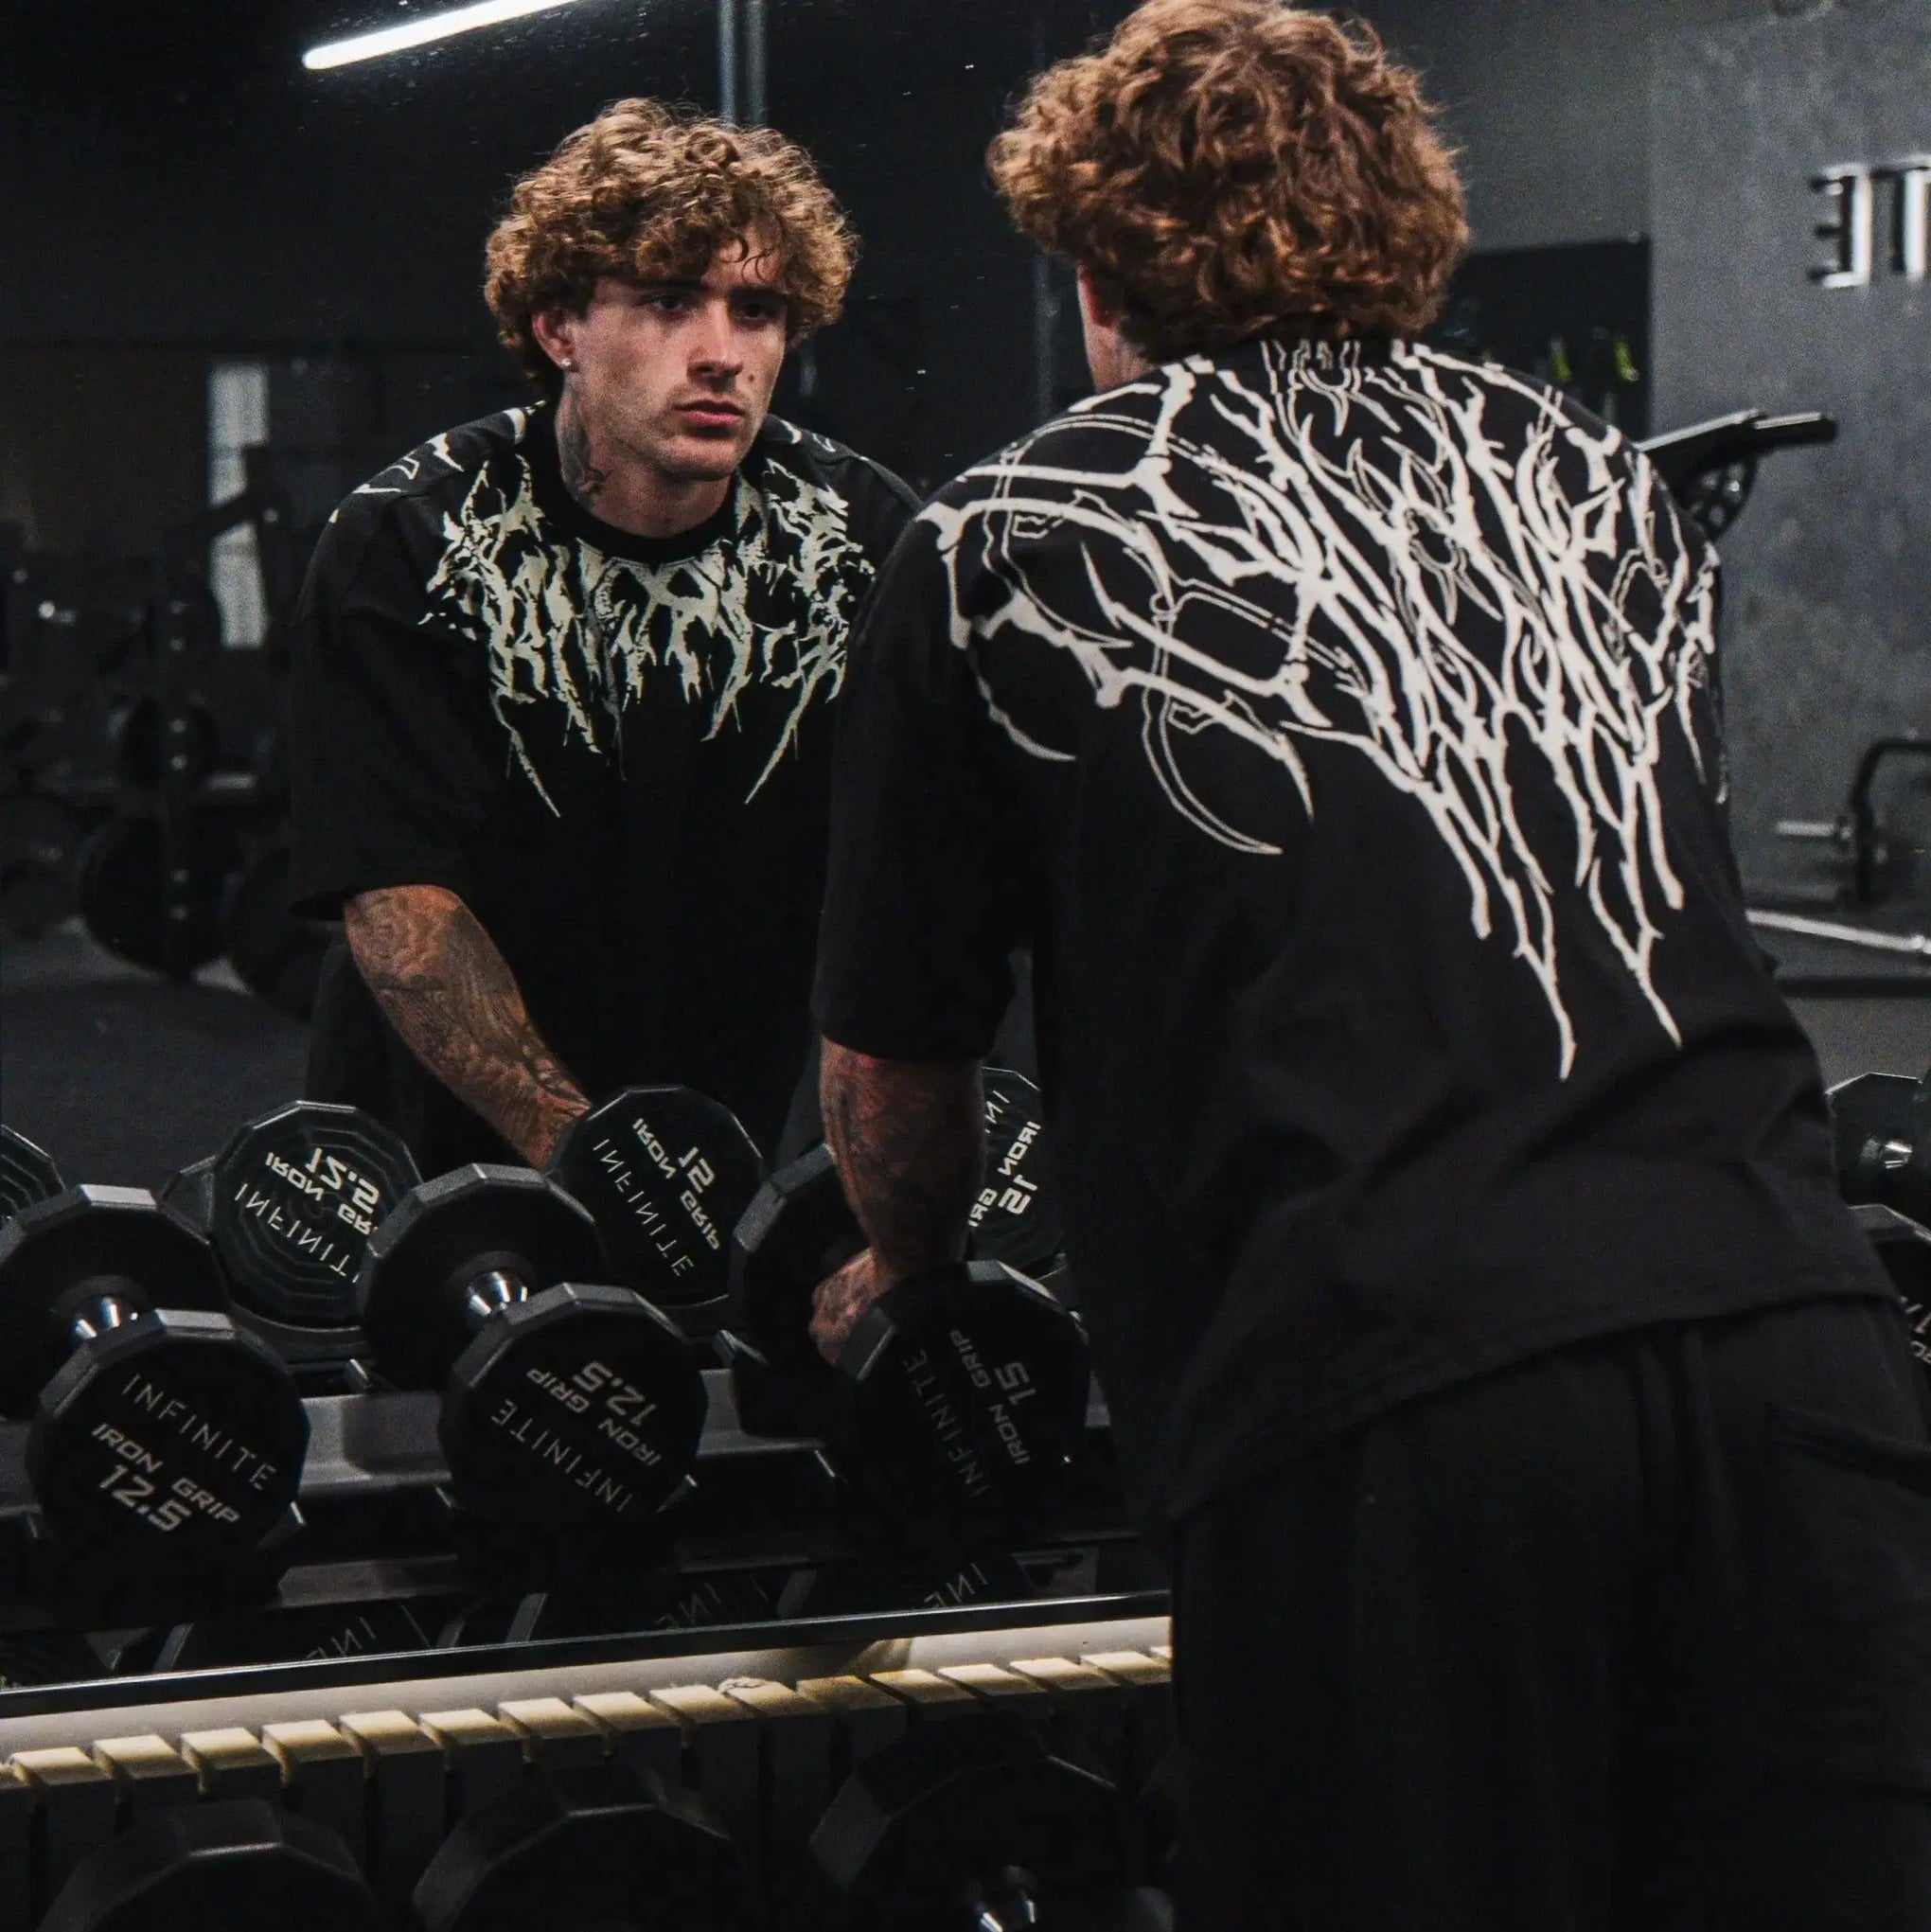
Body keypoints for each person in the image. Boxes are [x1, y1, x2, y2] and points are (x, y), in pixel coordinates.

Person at [806, 5, 1931, 1927]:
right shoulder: (1602, 489)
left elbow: (893, 1072)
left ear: (1098, 266)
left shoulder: (1008, 533)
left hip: (1398, 1408)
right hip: (1794, 1345)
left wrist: (902, 1272)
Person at [288, 99, 917, 1176]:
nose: (722, 354)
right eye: (670, 303)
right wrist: (589, 1156)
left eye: (756, 310)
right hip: (456, 1140)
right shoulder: (410, 539)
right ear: (558, 327)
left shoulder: (865, 535)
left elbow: (911, 878)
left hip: (752, 1113)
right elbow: (401, 903)